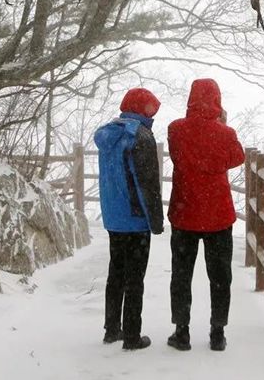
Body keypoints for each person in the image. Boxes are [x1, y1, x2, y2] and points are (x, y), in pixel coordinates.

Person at [166, 78, 245, 352]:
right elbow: (238, 158)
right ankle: (217, 332)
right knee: (220, 276)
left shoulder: (176, 129)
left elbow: (178, 156)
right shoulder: (225, 133)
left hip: (184, 213)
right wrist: (221, 125)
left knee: (181, 274)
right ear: (217, 99)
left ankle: (182, 331)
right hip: (218, 217)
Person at [94, 88, 164, 351]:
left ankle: (112, 329)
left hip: (114, 216)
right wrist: (155, 221)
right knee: (135, 278)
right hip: (136, 218)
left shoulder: (109, 133)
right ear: (140, 108)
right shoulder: (140, 136)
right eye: (150, 109)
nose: (153, 114)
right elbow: (148, 184)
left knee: (116, 273)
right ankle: (133, 336)